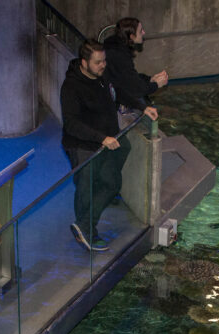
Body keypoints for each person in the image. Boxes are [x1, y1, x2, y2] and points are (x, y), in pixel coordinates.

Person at [60, 39, 158, 252]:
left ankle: (83, 225)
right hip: (83, 146)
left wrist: (142, 106)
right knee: (86, 187)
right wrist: (100, 137)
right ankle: (88, 233)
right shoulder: (71, 87)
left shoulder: (102, 76)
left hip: (108, 141)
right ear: (84, 62)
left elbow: (118, 93)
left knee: (112, 182)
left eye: (103, 60)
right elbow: (71, 123)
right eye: (97, 62)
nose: (103, 65)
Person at [103, 18, 168, 110]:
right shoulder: (119, 55)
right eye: (141, 31)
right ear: (132, 36)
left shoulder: (115, 46)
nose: (144, 32)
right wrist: (156, 85)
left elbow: (128, 76)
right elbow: (135, 88)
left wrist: (150, 79)